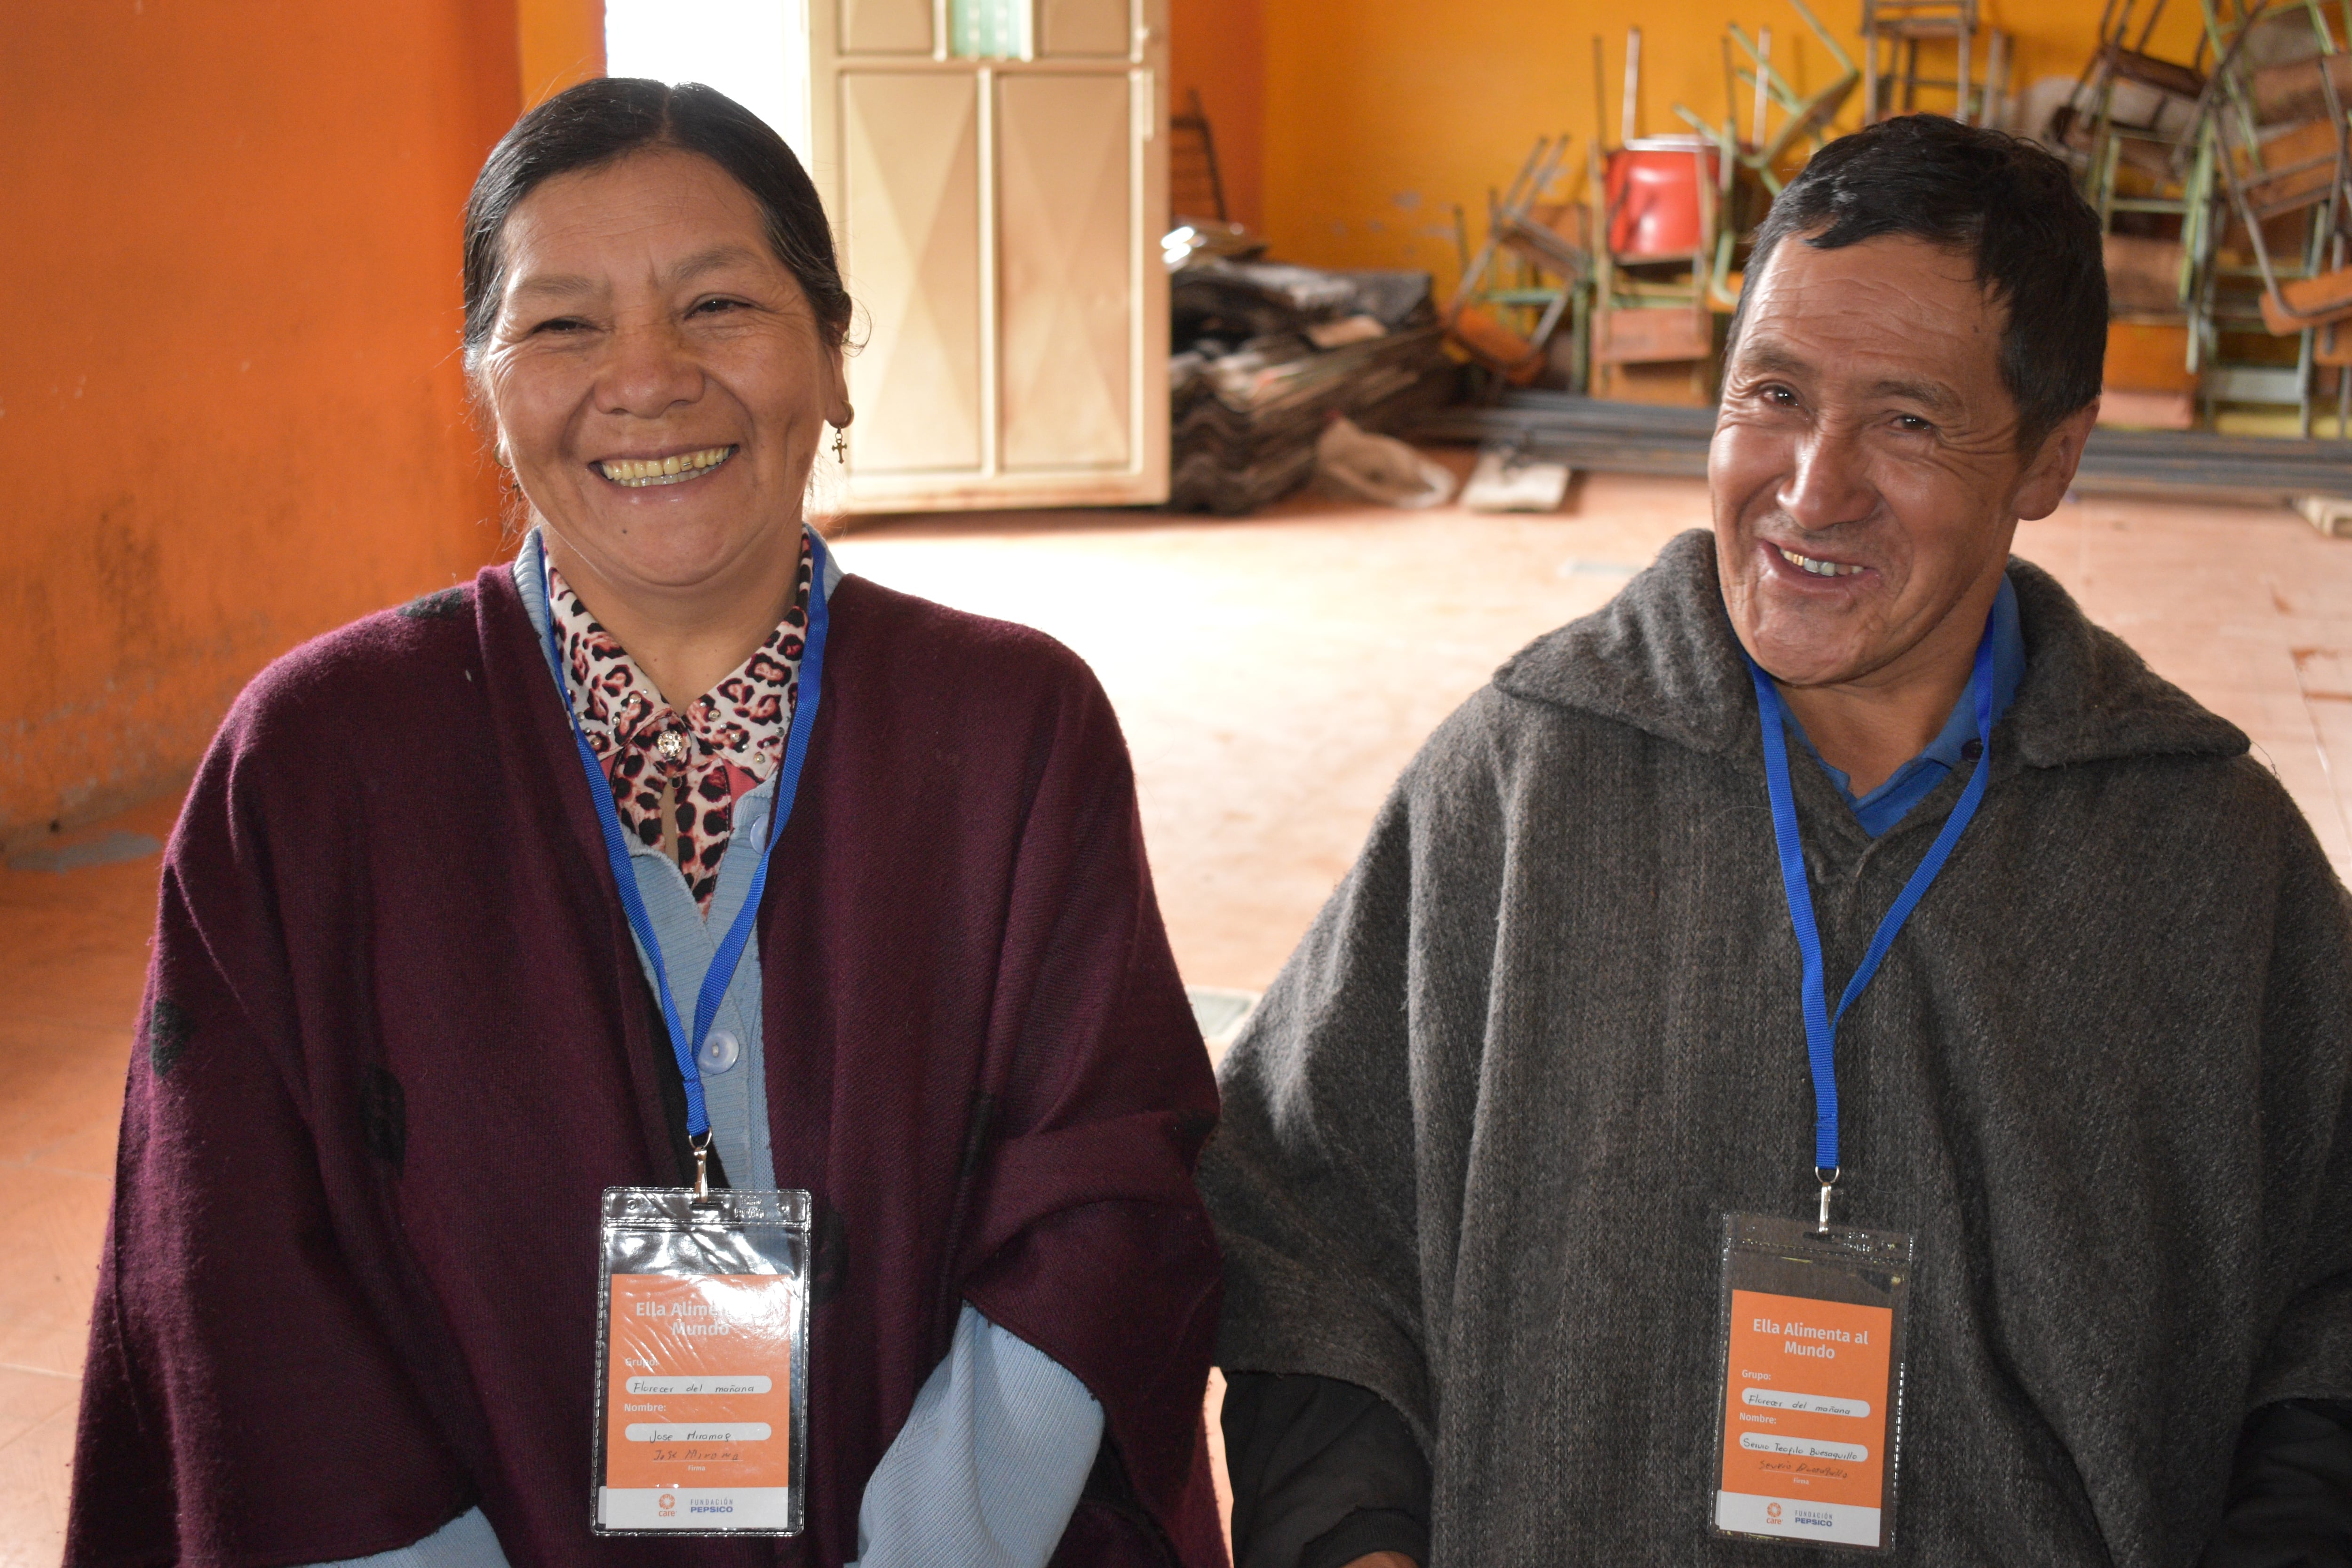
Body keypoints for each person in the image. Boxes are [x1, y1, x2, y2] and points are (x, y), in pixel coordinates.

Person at [66, 79, 1226, 1568]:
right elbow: (232, 1268)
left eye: (719, 304)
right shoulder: (311, 761)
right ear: (486, 381)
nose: (648, 378)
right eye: (562, 325)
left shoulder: (1014, 729)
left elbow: (1106, 1193)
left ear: (837, 358)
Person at [1201, 115, 2352, 1566]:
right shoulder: (1528, 782)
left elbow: (2331, 1316)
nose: (1813, 490)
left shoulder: (2203, 859)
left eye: (1910, 421)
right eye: (1775, 395)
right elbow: (1305, 1223)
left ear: (2052, 459)